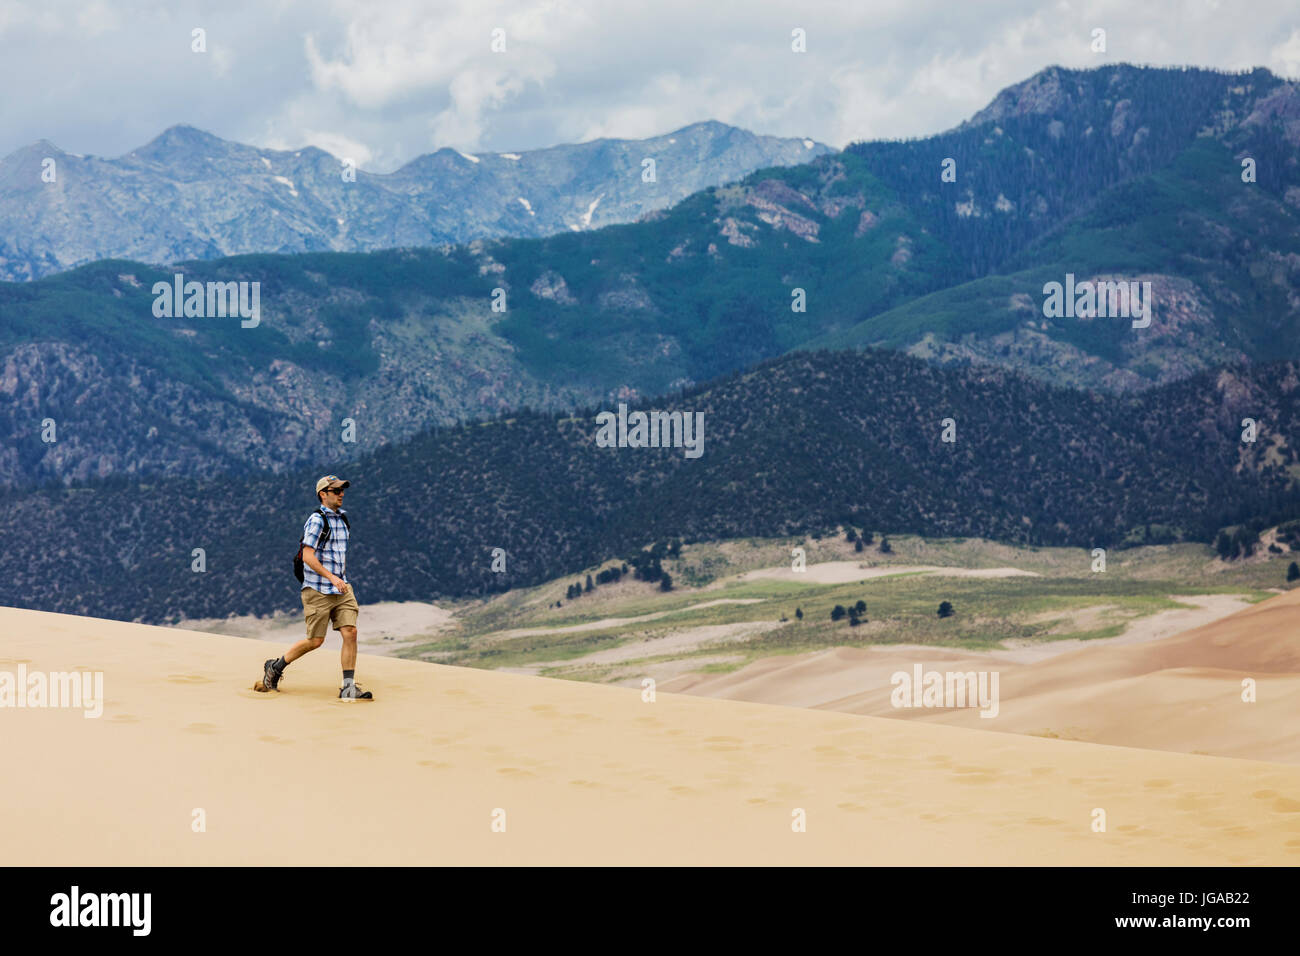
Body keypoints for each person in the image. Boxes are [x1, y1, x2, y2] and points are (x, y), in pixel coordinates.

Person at [255, 475, 373, 699]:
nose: (341, 494)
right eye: (336, 490)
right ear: (323, 494)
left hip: (341, 588)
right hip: (317, 589)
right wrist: (332, 578)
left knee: (351, 632)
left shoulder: (342, 520)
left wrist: (340, 580)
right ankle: (275, 667)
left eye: (342, 490)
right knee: (315, 641)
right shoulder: (317, 520)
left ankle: (348, 687)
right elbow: (308, 556)